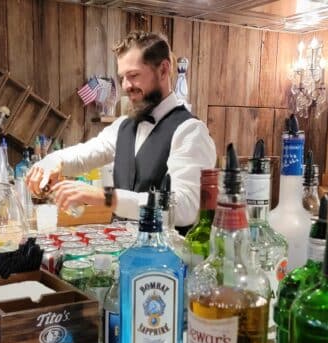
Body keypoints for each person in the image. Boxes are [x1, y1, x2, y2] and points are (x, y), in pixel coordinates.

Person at [26, 31, 216, 230]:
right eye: (122, 77)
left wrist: (104, 197)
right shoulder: (123, 126)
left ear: (163, 70)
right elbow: (85, 153)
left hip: (171, 258)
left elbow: (186, 208)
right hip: (125, 254)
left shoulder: (191, 131)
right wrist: (51, 162)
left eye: (133, 76)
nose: (126, 86)